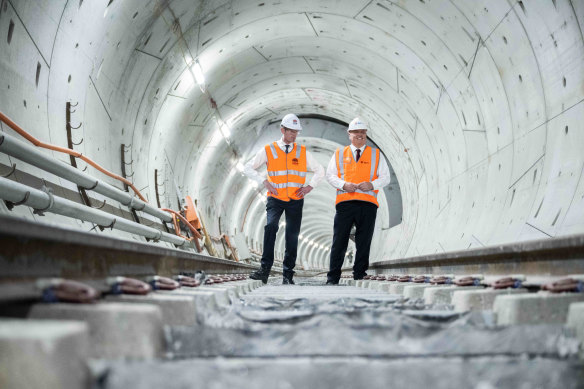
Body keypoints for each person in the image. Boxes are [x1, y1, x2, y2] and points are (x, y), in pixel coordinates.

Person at [244, 114, 324, 284]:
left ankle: (288, 275)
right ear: (282, 130)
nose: (293, 135)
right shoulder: (269, 149)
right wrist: (264, 181)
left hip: (295, 199)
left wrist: (310, 186)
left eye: (296, 132)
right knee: (270, 226)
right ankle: (264, 270)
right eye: (290, 131)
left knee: (291, 236)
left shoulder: (303, 152)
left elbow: (320, 170)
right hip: (275, 198)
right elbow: (247, 167)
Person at [325, 117, 390, 284]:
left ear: (366, 134)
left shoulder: (376, 154)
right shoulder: (339, 154)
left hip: (368, 203)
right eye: (356, 132)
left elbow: (386, 177)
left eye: (363, 132)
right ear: (349, 134)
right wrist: (344, 184)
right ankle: (333, 277)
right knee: (339, 240)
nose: (360, 135)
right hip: (345, 202)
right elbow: (330, 175)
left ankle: (359, 274)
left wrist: (372, 184)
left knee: (364, 240)